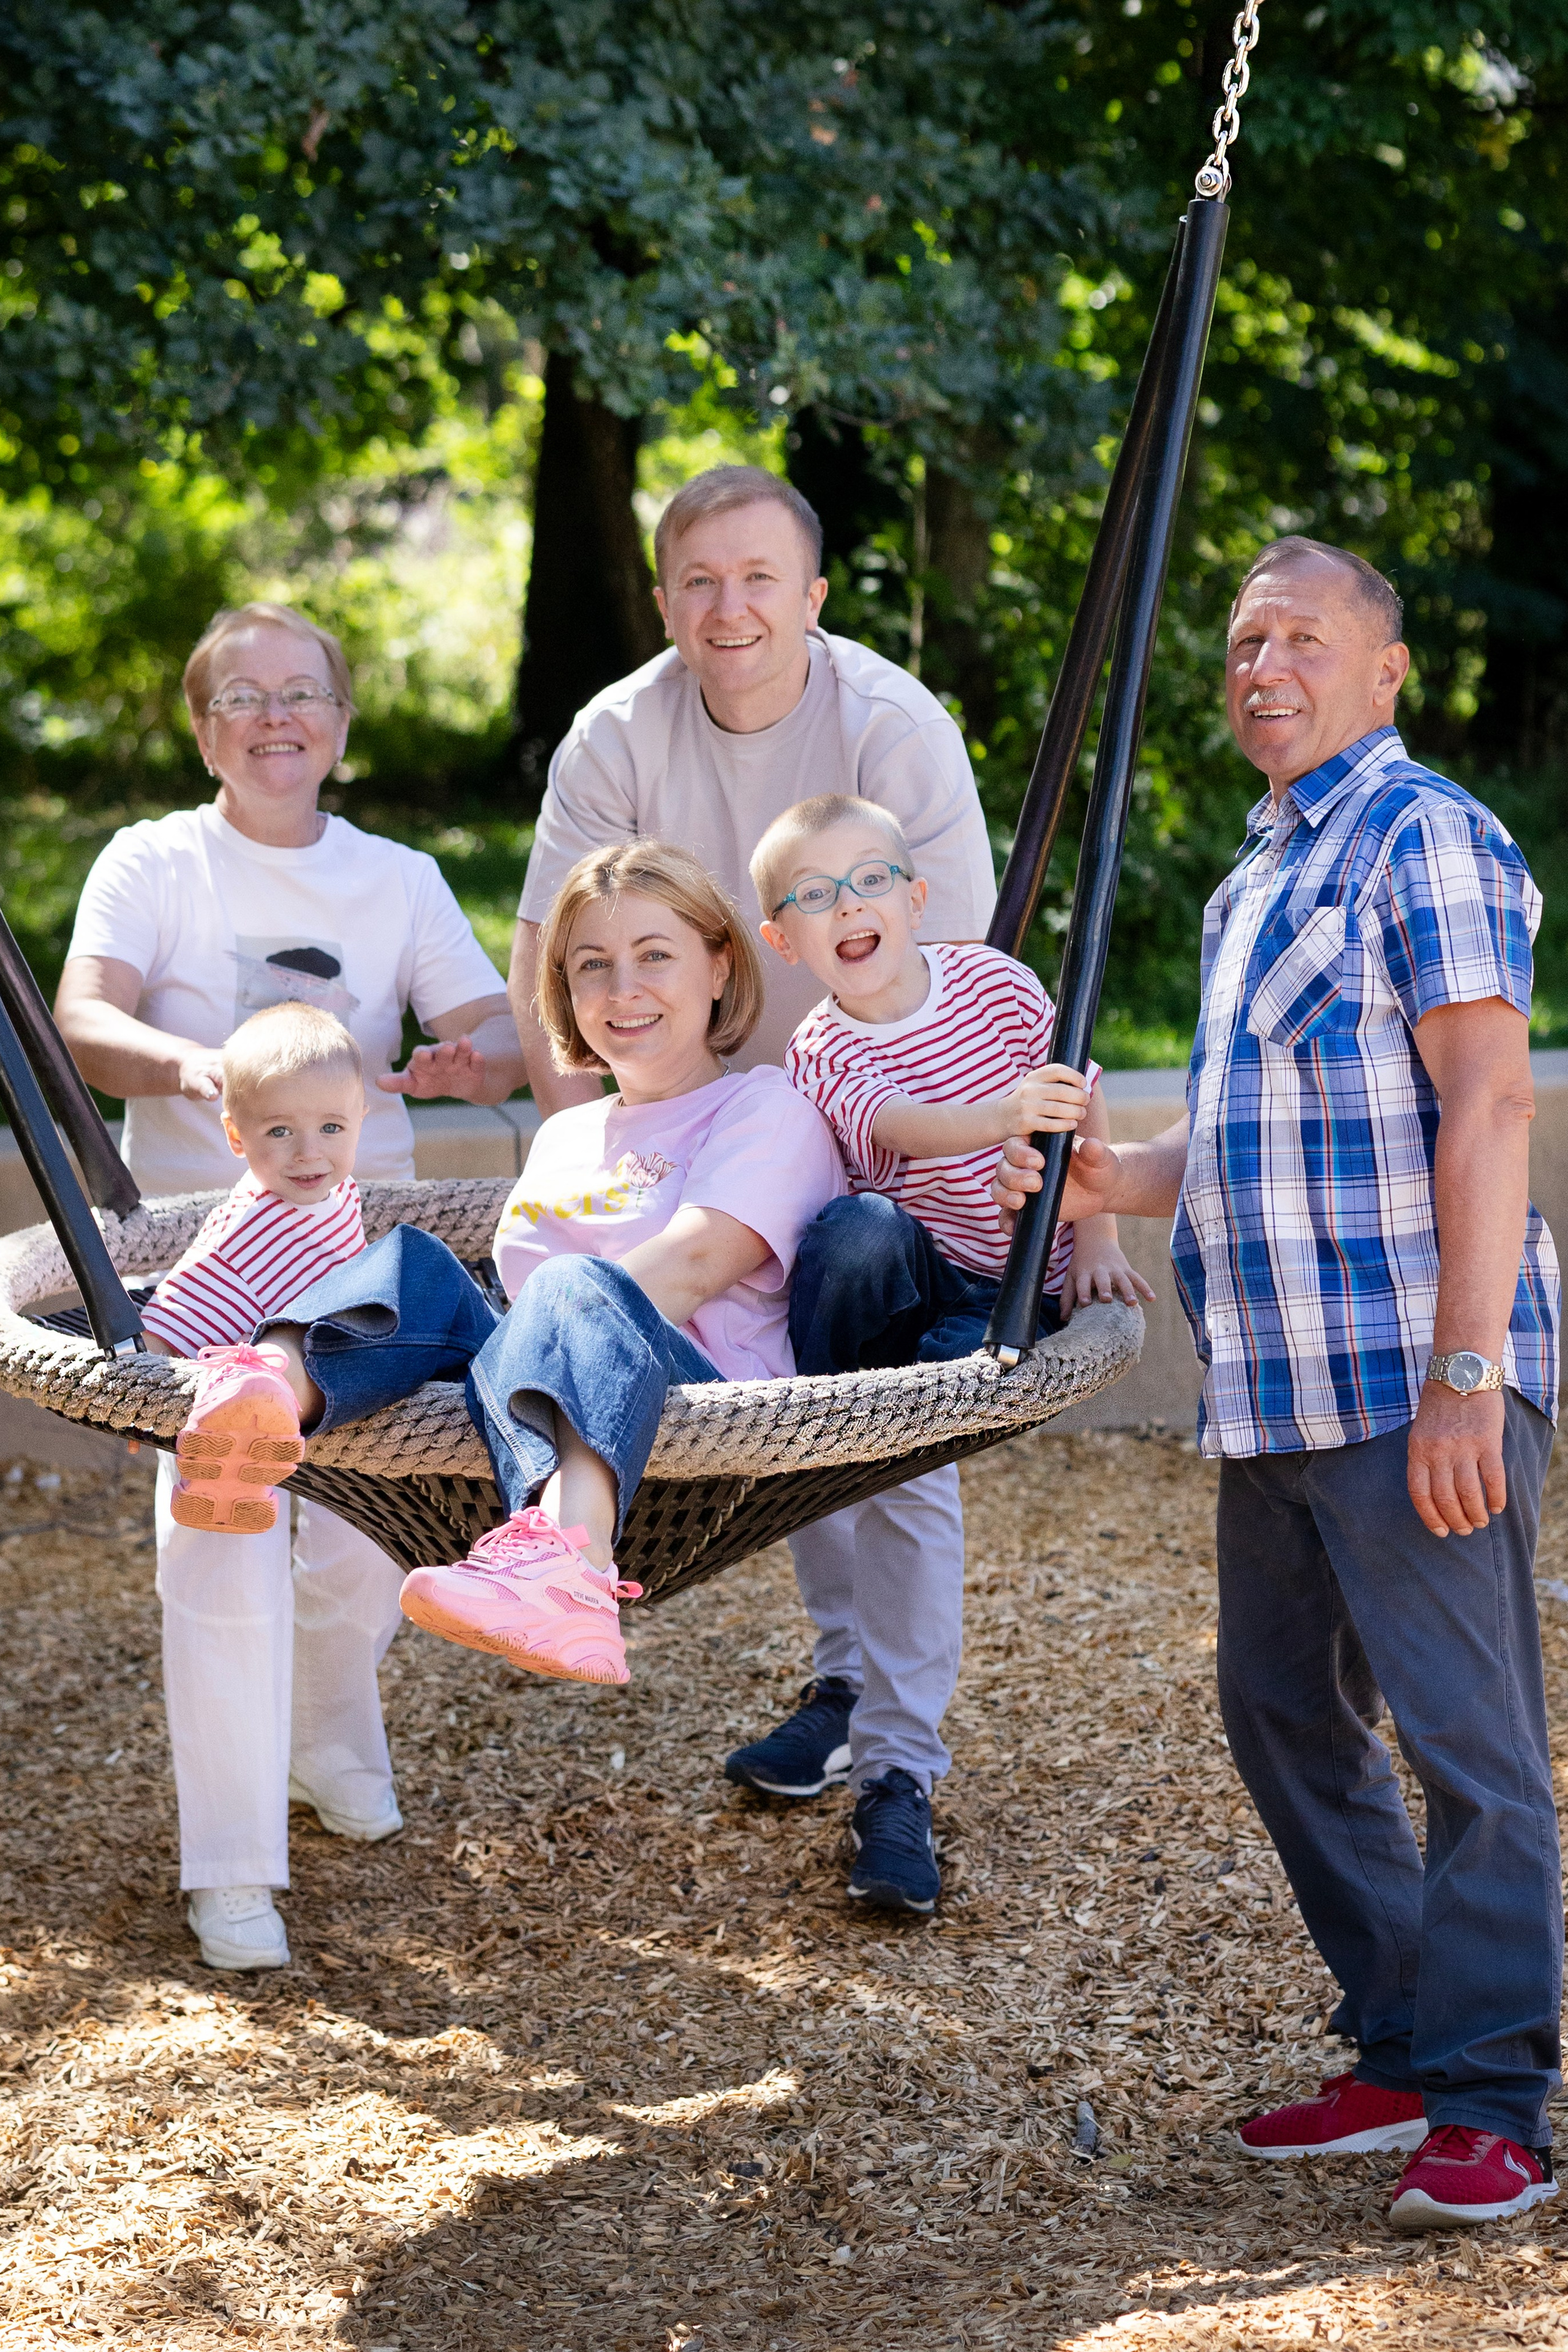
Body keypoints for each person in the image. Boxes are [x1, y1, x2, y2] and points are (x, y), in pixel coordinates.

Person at [993, 537, 1561, 2233]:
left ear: (1385, 672)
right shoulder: (1254, 877)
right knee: (1281, 1708)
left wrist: (1466, 1375)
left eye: (1302, 639)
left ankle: (1491, 2100)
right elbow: (1248, 1126)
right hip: (1276, 1390)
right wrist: (1113, 1182)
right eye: (1244, 642)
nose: (1263, 667)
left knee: (1469, 1744)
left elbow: (1489, 1102)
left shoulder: (1424, 835)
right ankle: (1403, 2038)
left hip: (1408, 1380)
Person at [508, 463, 997, 1913]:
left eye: (758, 578)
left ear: (813, 595)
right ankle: (842, 1685)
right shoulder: (618, 732)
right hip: (700, 1115)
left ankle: (898, 1763)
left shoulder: (889, 727)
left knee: (877, 1415)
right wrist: (597, 1155)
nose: (729, 608)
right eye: (699, 582)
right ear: (664, 601)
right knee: (770, 1406)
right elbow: (552, 958)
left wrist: (1041, 1203)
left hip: (879, 1131)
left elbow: (956, 976)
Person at [56, 600, 526, 1973]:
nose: (276, 717)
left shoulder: (398, 876)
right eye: (243, 697)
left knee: (369, 1543)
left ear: (341, 723)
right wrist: (193, 1066)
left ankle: (327, 1741)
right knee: (224, 1538)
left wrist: (470, 1059)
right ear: (205, 732)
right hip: (200, 1261)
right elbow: (83, 1021)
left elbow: (494, 1030)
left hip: (357, 1274)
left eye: (303, 693)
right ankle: (231, 1868)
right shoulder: (156, 859)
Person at [242, 843, 843, 1695]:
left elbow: (693, 1265)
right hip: (536, 1400)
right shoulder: (566, 1136)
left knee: (573, 1283)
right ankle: (264, 1398)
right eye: (592, 965)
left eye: (655, 956)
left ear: (719, 966)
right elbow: (518, 1302)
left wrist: (531, 1323)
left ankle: (573, 1564)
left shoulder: (766, 1108)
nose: (622, 989)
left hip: (694, 1408)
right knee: (416, 1261)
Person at [756, 792, 1152, 1381]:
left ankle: (930, 1393)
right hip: (914, 1284)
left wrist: (1098, 1238)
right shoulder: (819, 1049)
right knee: (857, 1229)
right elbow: (903, 1126)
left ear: (915, 901)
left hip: (1025, 1284)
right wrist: (1008, 1114)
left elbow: (1080, 1092)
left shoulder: (994, 981)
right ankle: (814, 1400)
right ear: (783, 941)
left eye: (871, 878)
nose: (848, 904)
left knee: (968, 1375)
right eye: (814, 893)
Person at [141, 1003, 369, 1534]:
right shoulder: (245, 1229)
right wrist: (138, 1395)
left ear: (361, 1119)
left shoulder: (343, 1195)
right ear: (237, 1136)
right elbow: (179, 1305)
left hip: (329, 1400)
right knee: (232, 1548)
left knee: (351, 1537)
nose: (309, 1153)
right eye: (280, 1132)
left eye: (331, 1127)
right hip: (241, 1405)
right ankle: (225, 1483)